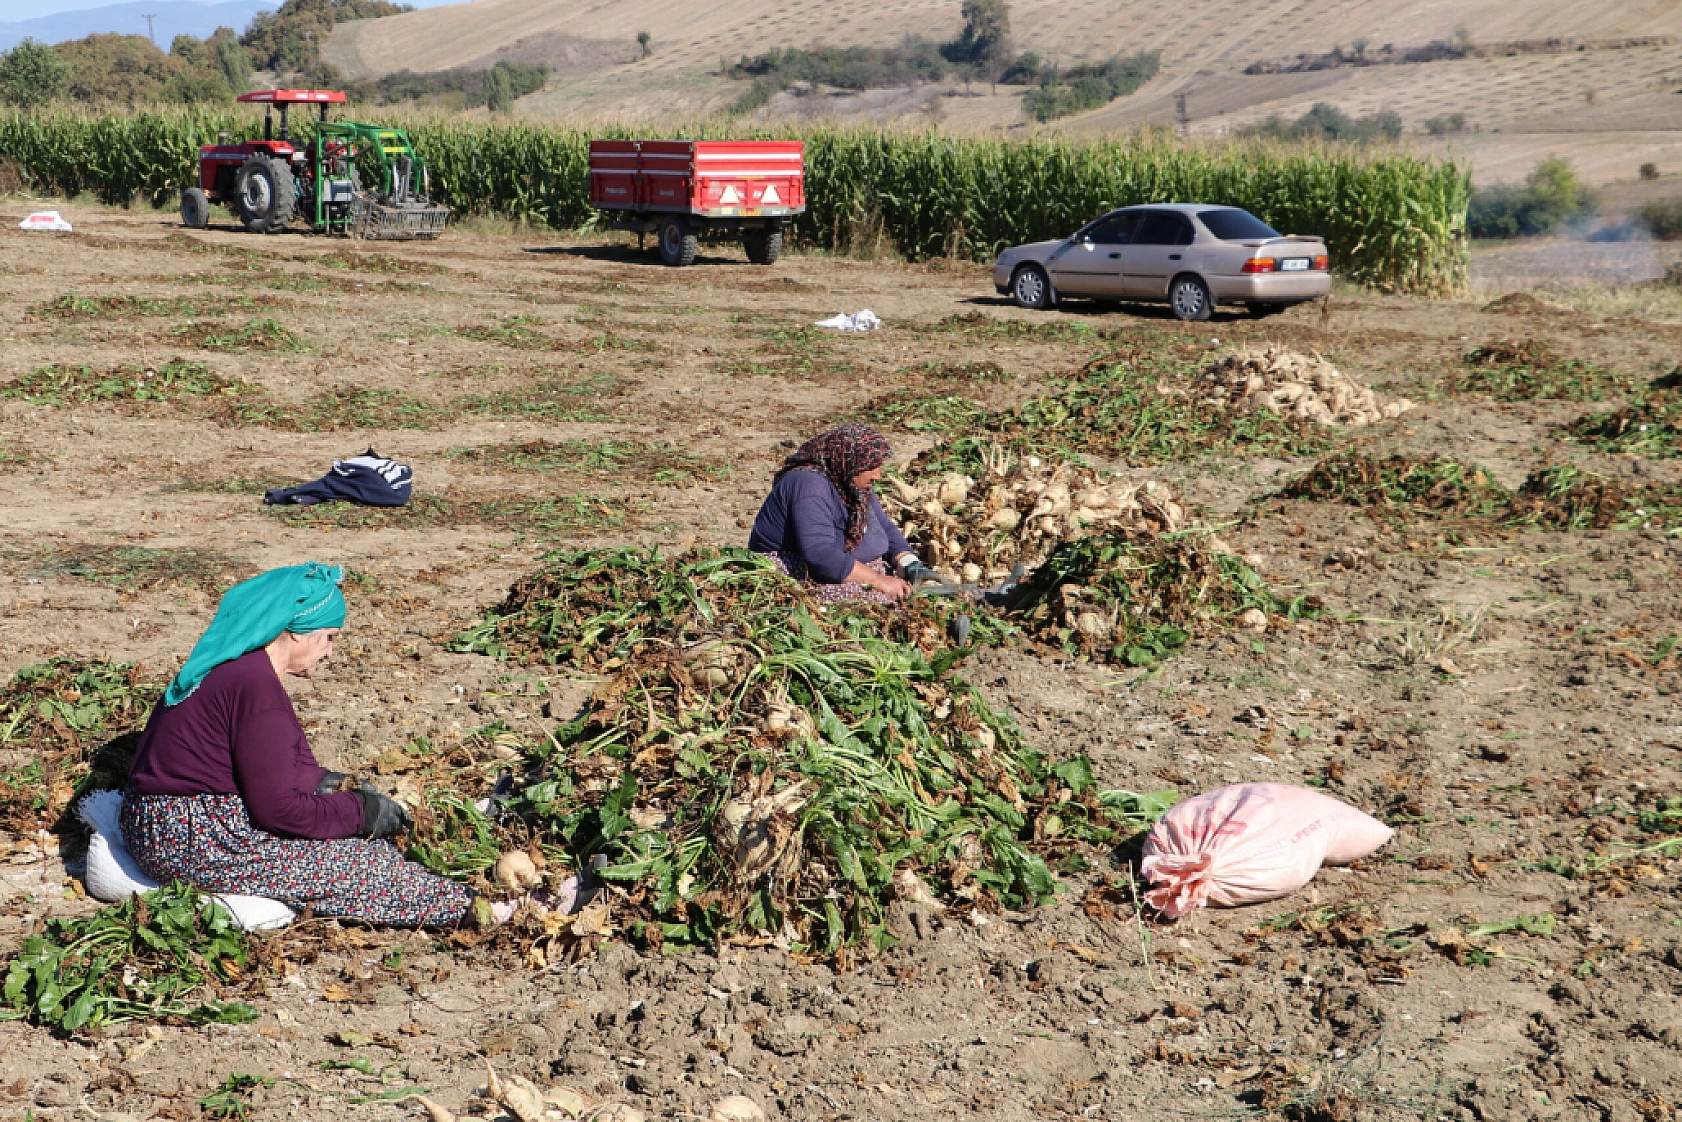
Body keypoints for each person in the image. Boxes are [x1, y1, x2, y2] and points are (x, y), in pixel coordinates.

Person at [121, 562, 472, 927]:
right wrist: (360, 811)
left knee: (358, 848)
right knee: (363, 866)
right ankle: (470, 909)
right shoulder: (255, 685)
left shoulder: (231, 667)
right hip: (196, 839)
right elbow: (280, 811)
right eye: (329, 637)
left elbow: (262, 764)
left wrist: (329, 785)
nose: (330, 652)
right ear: (297, 633)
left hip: (156, 825)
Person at [749, 423, 934, 604]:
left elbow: (882, 526)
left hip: (846, 567)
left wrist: (909, 563)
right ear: (849, 461)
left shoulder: (850, 483)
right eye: (870, 466)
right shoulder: (809, 486)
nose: (877, 475)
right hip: (801, 571)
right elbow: (821, 556)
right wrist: (878, 580)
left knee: (916, 593)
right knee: (882, 602)